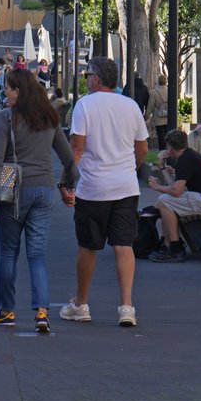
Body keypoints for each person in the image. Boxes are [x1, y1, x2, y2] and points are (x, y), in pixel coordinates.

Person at [0, 69, 78, 333]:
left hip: (12, 190)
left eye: (10, 88)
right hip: (44, 189)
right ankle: (42, 312)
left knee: (8, 252)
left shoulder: (6, 119)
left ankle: (7, 310)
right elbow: (68, 157)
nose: (6, 92)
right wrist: (68, 184)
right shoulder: (49, 118)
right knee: (37, 254)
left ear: (20, 91)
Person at [59, 57, 149, 328]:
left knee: (88, 246)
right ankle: (126, 307)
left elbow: (76, 149)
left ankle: (81, 304)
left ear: (96, 78)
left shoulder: (84, 105)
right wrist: (129, 168)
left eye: (88, 75)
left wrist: (66, 183)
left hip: (93, 187)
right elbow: (142, 148)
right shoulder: (130, 106)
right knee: (124, 245)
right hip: (125, 186)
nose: (86, 79)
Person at [147, 128, 201, 262]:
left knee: (164, 201)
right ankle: (168, 245)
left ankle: (175, 248)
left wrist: (157, 187)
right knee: (165, 202)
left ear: (169, 148)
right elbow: (175, 187)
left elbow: (176, 191)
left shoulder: (186, 159)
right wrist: (162, 167)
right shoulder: (188, 156)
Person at [146, 73, 168, 150]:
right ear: (166, 82)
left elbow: (150, 106)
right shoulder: (170, 91)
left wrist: (146, 116)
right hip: (169, 117)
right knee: (169, 137)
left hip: (158, 118)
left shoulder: (153, 92)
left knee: (161, 138)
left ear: (158, 81)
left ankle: (162, 153)